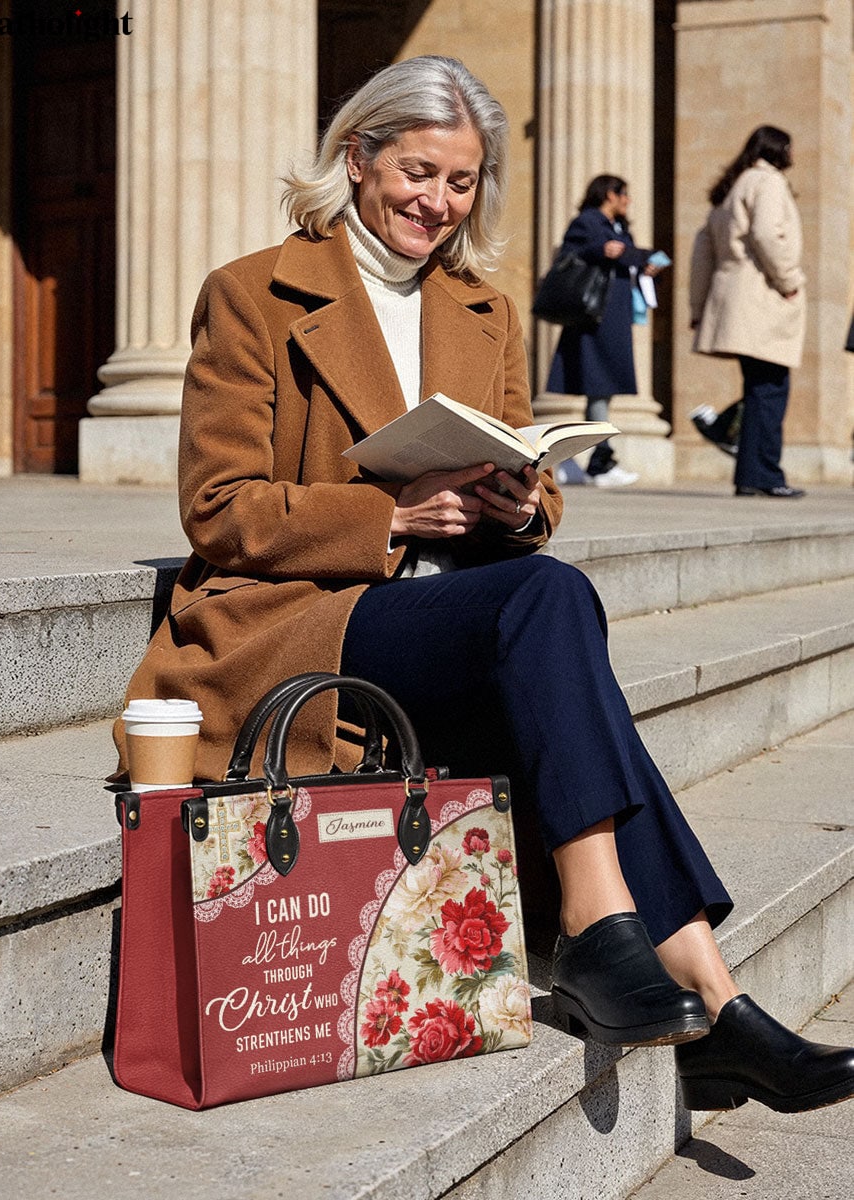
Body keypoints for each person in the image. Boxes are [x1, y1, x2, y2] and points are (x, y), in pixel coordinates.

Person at [113, 57, 854, 1114]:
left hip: (455, 601)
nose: (437, 203)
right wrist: (393, 516)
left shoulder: (484, 308)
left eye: (462, 183)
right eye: (419, 173)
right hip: (305, 615)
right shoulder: (252, 292)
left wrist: (520, 504)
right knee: (552, 608)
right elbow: (218, 506)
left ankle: (711, 1002)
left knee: (544, 600)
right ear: (359, 158)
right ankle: (620, 943)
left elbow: (531, 473)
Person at [689, 126, 806, 498]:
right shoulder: (767, 182)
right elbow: (766, 233)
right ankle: (764, 473)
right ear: (778, 150)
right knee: (771, 388)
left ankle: (750, 470)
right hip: (761, 295)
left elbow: (701, 253)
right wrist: (788, 280)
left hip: (734, 297)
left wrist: (699, 306)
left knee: (759, 387)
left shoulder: (732, 188)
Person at [545, 175, 666, 487]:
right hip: (594, 317)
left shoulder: (620, 227)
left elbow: (627, 257)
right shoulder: (587, 221)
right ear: (610, 194)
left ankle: (587, 460)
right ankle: (599, 461)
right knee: (599, 385)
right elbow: (569, 254)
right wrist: (601, 250)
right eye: (623, 195)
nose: (627, 201)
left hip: (613, 316)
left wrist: (646, 265)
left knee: (602, 388)